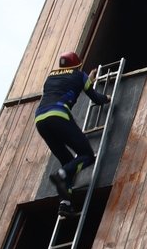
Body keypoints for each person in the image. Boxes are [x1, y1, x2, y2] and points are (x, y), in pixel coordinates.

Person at [34, 51, 110, 216]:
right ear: (77, 65)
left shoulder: (50, 77)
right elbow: (96, 98)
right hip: (58, 115)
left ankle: (65, 204)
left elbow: (64, 86)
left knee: (68, 162)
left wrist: (86, 80)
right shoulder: (80, 75)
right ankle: (61, 174)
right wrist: (106, 97)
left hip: (40, 120)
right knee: (87, 155)